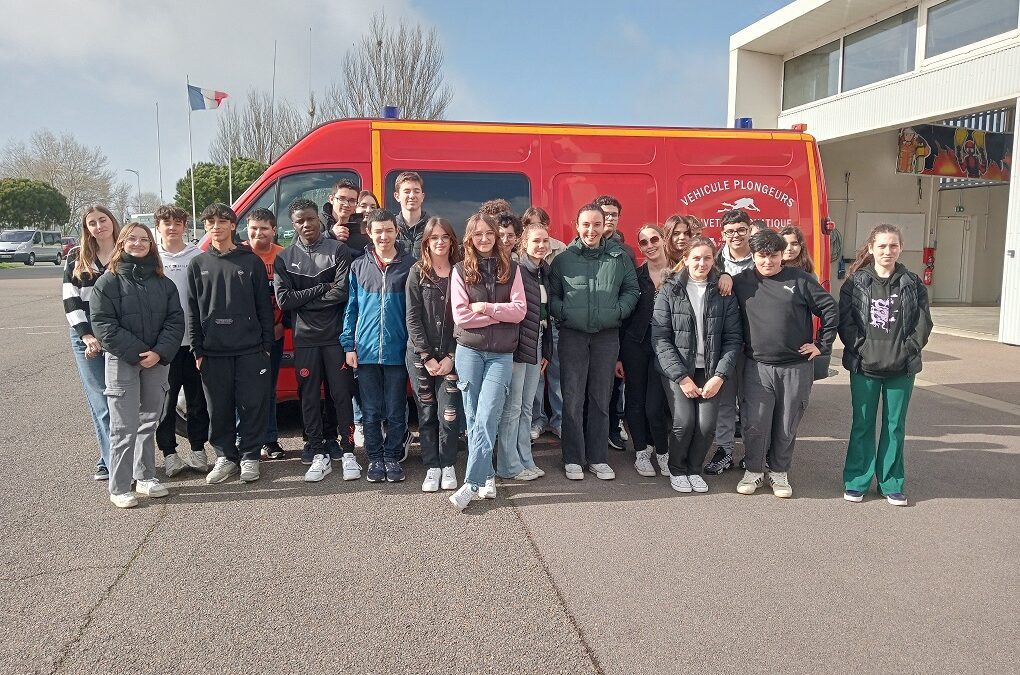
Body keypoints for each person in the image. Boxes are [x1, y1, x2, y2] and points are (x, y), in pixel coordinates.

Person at [731, 229, 838, 498]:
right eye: (762, 256)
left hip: (796, 366)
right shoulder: (740, 282)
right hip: (756, 366)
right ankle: (754, 471)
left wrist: (822, 345)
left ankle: (779, 472)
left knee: (787, 422)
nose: (768, 262)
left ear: (782, 256)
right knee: (755, 422)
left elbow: (830, 309)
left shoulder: (800, 279)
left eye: (774, 256)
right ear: (752, 256)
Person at [90, 223, 185, 508]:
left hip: (157, 362)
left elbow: (175, 320)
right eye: (132, 239)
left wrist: (158, 353)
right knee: (123, 425)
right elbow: (103, 325)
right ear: (122, 243)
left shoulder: (163, 283)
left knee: (148, 421)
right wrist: (139, 352)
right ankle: (119, 486)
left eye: (144, 239)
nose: (139, 243)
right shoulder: (107, 282)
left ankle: (145, 477)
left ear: (151, 245)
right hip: (122, 362)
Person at [839, 224, 932, 506]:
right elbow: (846, 322)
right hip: (864, 366)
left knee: (894, 427)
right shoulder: (855, 282)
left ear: (901, 248)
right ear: (871, 248)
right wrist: (861, 348)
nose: (887, 251)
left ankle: (891, 483)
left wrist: (908, 350)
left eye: (893, 246)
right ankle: (856, 481)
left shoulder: (913, 282)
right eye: (881, 246)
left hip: (901, 368)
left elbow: (922, 322)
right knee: (862, 424)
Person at [549, 204, 639, 481]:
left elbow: (632, 289)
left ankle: (599, 458)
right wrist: (564, 313)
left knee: (601, 398)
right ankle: (573, 458)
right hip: (573, 335)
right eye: (586, 224)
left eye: (596, 224)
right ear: (576, 226)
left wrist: (618, 312)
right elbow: (551, 296)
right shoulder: (563, 260)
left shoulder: (619, 257)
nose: (591, 230)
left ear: (604, 226)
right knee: (573, 399)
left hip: (606, 337)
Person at [187, 204, 275, 486]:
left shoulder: (250, 263)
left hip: (250, 350)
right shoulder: (197, 264)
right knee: (219, 409)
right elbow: (192, 310)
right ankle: (226, 457)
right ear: (205, 227)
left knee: (252, 406)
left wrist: (266, 348)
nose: (216, 226)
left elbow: (264, 308)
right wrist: (197, 349)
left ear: (233, 226)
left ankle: (250, 457)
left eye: (222, 221)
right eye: (210, 221)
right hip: (213, 351)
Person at [275, 199, 359, 483]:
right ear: (293, 224)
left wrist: (306, 300)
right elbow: (284, 301)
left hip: (335, 338)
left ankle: (348, 450)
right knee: (309, 397)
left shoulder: (338, 250)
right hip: (305, 339)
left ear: (319, 220)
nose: (306, 225)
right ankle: (317, 450)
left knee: (341, 395)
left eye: (310, 219)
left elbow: (343, 292)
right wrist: (322, 288)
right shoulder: (284, 258)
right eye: (299, 221)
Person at [448, 214, 527, 510]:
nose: (484, 238)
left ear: (496, 236)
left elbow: (519, 311)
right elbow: (461, 316)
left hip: (501, 354)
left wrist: (485, 307)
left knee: (487, 414)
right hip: (469, 351)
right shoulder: (460, 270)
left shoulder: (512, 269)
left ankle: (471, 483)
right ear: (470, 237)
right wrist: (499, 313)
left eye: (489, 234)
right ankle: (489, 475)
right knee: (473, 416)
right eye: (478, 234)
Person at [651, 236, 742, 493]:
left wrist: (720, 376)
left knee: (706, 425)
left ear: (714, 260)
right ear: (686, 259)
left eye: (707, 258)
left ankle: (694, 469)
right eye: (696, 258)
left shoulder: (724, 291)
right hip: (678, 370)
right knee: (684, 421)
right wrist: (681, 377)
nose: (701, 263)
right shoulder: (670, 289)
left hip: (711, 371)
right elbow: (660, 338)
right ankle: (677, 470)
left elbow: (733, 339)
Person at [342, 209, 415, 483]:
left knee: (396, 409)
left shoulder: (411, 266)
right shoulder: (358, 267)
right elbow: (351, 309)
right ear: (368, 234)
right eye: (377, 231)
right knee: (370, 410)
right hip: (367, 350)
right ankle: (374, 457)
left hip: (398, 350)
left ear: (396, 231)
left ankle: (392, 456)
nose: (383, 236)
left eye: (388, 230)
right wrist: (349, 345)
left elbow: (415, 311)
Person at [406, 217, 463, 492]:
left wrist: (451, 355)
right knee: (427, 411)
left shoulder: (462, 272)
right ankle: (432, 466)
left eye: (445, 237)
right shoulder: (417, 272)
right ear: (426, 242)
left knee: (449, 412)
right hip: (422, 357)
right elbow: (412, 317)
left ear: (452, 241)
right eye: (434, 238)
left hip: (453, 355)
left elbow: (464, 319)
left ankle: (449, 463)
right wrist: (427, 356)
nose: (440, 242)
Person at [153, 204, 210, 476]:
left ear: (185, 227)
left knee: (198, 401)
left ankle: (198, 450)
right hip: (164, 345)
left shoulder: (197, 256)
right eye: (167, 223)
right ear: (158, 227)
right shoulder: (151, 259)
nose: (172, 227)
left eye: (177, 222)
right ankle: (169, 454)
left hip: (194, 343)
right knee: (166, 403)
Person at [63, 206, 119, 480]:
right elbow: (71, 298)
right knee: (101, 401)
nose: (99, 226)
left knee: (121, 401)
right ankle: (110, 462)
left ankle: (114, 456)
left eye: (103, 220)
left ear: (112, 222)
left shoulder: (125, 251)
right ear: (87, 228)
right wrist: (86, 335)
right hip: (86, 337)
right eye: (92, 223)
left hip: (118, 336)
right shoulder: (77, 256)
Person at [495, 220, 552, 481]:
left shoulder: (545, 272)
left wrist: (547, 351)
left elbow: (546, 316)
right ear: (524, 244)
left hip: (537, 345)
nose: (541, 246)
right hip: (518, 347)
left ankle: (525, 458)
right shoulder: (515, 270)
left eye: (544, 241)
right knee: (513, 407)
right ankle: (509, 464)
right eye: (535, 241)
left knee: (527, 407)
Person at [617, 225, 672, 478]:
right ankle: (641, 451)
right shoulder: (635, 276)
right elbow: (624, 317)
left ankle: (662, 450)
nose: (649, 245)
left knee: (656, 404)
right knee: (636, 399)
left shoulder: (679, 273)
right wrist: (618, 355)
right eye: (643, 242)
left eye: (653, 239)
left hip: (665, 347)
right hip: (635, 345)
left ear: (663, 240)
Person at [705, 209, 756, 475]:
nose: (736, 235)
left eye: (741, 230)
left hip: (754, 343)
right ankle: (724, 450)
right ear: (722, 235)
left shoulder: (761, 260)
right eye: (729, 231)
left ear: (749, 230)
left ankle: (752, 452)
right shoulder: (712, 262)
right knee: (724, 400)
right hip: (722, 342)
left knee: (750, 400)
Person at [243, 208, 286, 460]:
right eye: (254, 228)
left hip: (275, 334)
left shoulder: (282, 256)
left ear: (274, 230)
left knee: (268, 388)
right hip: (245, 336)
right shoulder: (239, 254)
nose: (258, 233)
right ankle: (246, 439)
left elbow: (291, 296)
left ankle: (270, 440)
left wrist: (285, 325)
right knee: (245, 391)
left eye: (264, 228)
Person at [594, 194, 634, 451]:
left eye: (613, 215)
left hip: (617, 325)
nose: (609, 219)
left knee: (615, 381)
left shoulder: (626, 251)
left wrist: (620, 310)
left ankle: (612, 427)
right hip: (591, 327)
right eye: (604, 214)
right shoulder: (582, 247)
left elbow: (630, 288)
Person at [522, 206, 565, 439]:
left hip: (554, 325)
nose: (541, 244)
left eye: (544, 238)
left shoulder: (560, 251)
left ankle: (559, 420)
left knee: (558, 375)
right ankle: (537, 420)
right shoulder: (520, 263)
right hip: (532, 329)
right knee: (536, 377)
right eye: (529, 226)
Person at [322, 178, 372, 260]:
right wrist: (329, 235)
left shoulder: (361, 232)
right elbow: (300, 251)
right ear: (331, 199)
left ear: (356, 204)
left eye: (352, 200)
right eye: (341, 199)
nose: (346, 204)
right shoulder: (316, 223)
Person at [393, 172, 429, 260]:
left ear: (422, 196)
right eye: (407, 191)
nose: (412, 196)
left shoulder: (432, 228)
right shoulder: (391, 228)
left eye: (416, 191)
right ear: (397, 196)